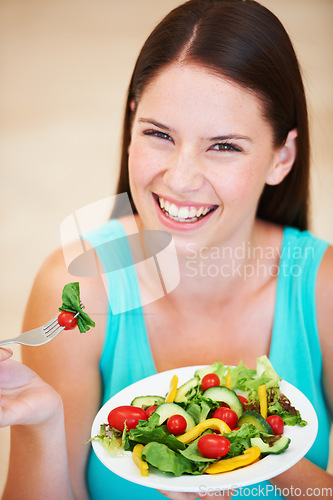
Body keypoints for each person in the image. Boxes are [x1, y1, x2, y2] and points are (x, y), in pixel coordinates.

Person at [1, 0, 332, 498]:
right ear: (131, 126)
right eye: (159, 134)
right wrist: (44, 426)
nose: (180, 179)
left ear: (280, 158)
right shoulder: (79, 288)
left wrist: (263, 458)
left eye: (224, 146)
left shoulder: (322, 287)